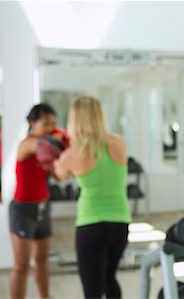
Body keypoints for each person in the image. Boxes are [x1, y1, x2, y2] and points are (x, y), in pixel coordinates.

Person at [53, 96, 131, 299]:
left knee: (92, 291)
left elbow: (60, 176)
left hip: (91, 224)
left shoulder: (72, 154)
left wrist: (58, 158)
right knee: (110, 279)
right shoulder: (119, 142)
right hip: (120, 223)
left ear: (75, 120)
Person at [9, 103, 59, 299]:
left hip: (43, 208)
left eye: (53, 123)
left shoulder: (49, 143)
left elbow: (60, 176)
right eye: (45, 123)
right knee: (21, 265)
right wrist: (61, 140)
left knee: (41, 260)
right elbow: (41, 146)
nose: (50, 127)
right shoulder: (28, 143)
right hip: (23, 211)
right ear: (31, 123)